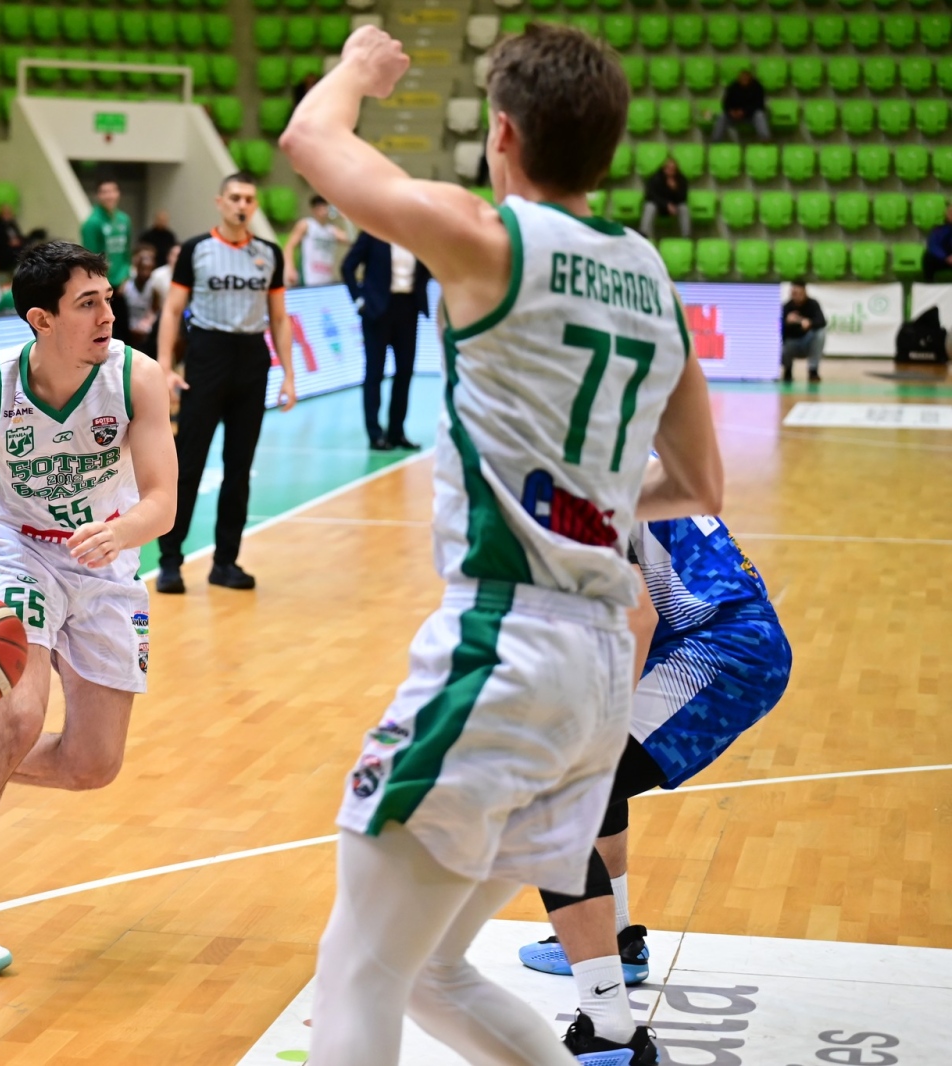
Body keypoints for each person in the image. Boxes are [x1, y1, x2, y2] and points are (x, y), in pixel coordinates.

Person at [281, 23, 723, 1066]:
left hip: (504, 646)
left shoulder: (491, 239)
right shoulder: (650, 275)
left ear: (505, 134)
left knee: (356, 969)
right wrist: (588, 508)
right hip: (597, 673)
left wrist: (356, 69)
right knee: (431, 969)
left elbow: (310, 140)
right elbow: (700, 482)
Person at [0, 240, 177, 976]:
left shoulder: (136, 378)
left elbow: (163, 502)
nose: (109, 316)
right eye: (88, 304)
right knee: (17, 720)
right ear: (41, 320)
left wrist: (121, 533)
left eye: (108, 299)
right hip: (20, 550)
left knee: (92, 765)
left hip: (105, 555)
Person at [517, 514, 790, 1044]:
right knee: (592, 778)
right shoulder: (619, 471)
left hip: (719, 654)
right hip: (728, 639)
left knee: (551, 800)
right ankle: (613, 939)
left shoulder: (586, 486)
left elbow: (634, 615)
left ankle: (608, 1032)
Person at [153, 173, 296, 595]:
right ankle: (170, 561)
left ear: (255, 205)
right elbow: (172, 310)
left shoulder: (269, 253)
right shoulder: (196, 249)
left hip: (252, 358)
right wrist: (165, 366)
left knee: (239, 467)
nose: (242, 205)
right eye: (235, 197)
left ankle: (225, 562)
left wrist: (289, 374)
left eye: (249, 199)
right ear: (220, 202)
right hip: (207, 354)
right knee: (188, 463)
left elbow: (280, 317)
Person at [340, 231, 430, 450]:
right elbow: (347, 267)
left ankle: (397, 432)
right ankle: (375, 433)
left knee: (405, 372)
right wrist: (359, 300)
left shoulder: (418, 235)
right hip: (377, 310)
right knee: (374, 373)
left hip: (408, 307)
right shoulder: (373, 233)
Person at [80, 178, 133, 343]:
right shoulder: (91, 223)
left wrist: (126, 276)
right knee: (105, 329)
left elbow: (127, 252)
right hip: (103, 285)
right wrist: (101, 283)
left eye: (112, 191)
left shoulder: (124, 219)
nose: (109, 195)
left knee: (124, 328)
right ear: (98, 195)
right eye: (104, 192)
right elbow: (90, 259)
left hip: (121, 283)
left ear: (118, 193)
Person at [284, 195, 351, 287]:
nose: (322, 210)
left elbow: (352, 240)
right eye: (319, 207)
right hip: (308, 276)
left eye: (324, 206)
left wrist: (346, 218)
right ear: (313, 210)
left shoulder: (332, 230)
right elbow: (289, 246)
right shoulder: (306, 224)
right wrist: (289, 268)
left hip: (325, 277)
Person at [782, 281, 826, 384]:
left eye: (799, 293)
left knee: (820, 333)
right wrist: (786, 322)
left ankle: (813, 370)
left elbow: (822, 321)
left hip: (807, 342)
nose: (797, 296)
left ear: (805, 292)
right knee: (782, 346)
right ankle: (787, 370)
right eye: (794, 293)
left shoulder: (813, 304)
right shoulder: (786, 307)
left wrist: (810, 323)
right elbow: (777, 330)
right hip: (791, 343)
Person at [712, 67, 770, 143]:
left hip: (751, 116)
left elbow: (759, 105)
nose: (744, 80)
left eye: (746, 78)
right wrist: (731, 112)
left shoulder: (757, 88)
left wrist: (744, 112)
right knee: (722, 116)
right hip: (734, 115)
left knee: (760, 115)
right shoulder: (732, 87)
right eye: (742, 78)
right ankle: (715, 141)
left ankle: (765, 139)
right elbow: (726, 103)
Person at [639, 157, 689, 240]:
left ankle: (686, 237)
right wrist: (666, 205)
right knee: (649, 206)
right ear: (663, 168)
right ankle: (645, 236)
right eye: (668, 168)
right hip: (659, 206)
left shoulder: (681, 180)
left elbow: (683, 198)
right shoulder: (655, 178)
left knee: (684, 208)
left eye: (673, 169)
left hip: (674, 207)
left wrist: (675, 189)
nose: (670, 171)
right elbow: (651, 196)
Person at [121, 244, 158, 349]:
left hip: (145, 326)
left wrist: (147, 322)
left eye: (149, 269)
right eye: (143, 269)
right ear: (136, 268)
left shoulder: (154, 287)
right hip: (127, 326)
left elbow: (155, 309)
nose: (146, 273)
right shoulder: (126, 285)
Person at [0, 203, 26, 273]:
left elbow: (19, 236)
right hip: (2, 251)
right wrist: (8, 242)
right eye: (5, 213)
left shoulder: (12, 224)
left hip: (16, 248)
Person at [923, 202, 952, 281]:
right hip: (944, 259)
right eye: (950, 213)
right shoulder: (939, 229)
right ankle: (929, 284)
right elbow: (933, 245)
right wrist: (945, 257)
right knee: (928, 257)